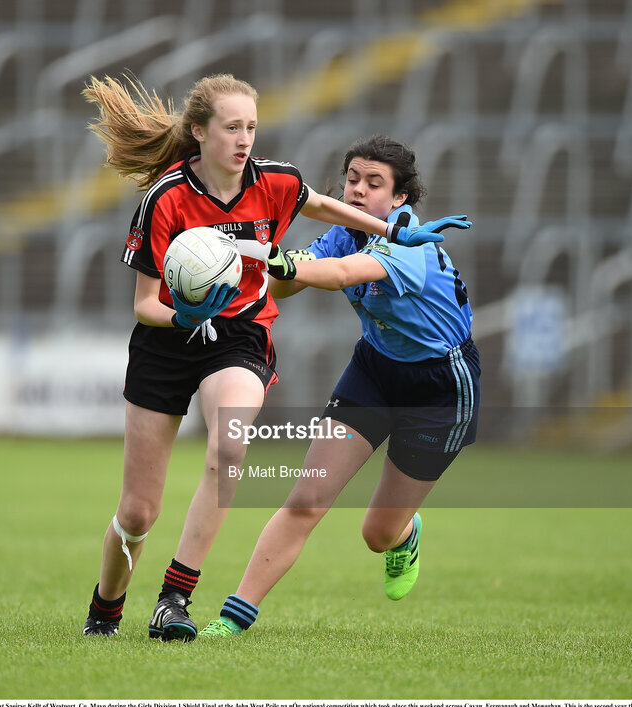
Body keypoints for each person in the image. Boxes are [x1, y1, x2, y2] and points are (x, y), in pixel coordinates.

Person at [79, 77, 463, 641]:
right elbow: (144, 305)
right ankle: (106, 608)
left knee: (229, 443)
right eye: (232, 127)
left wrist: (393, 232)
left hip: (238, 335)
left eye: (251, 127)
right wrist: (185, 316)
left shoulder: (274, 180)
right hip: (166, 343)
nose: (244, 139)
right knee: (138, 513)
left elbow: (324, 206)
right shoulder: (164, 198)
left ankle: (174, 599)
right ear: (199, 132)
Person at [199, 134, 479, 637]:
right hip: (374, 370)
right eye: (352, 180)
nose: (357, 191)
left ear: (399, 199)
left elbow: (346, 273)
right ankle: (234, 617)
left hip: (439, 386)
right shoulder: (345, 231)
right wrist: (262, 261)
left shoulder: (411, 241)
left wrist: (289, 264)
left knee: (377, 534)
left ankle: (404, 533)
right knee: (307, 498)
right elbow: (291, 282)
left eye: (374, 184)